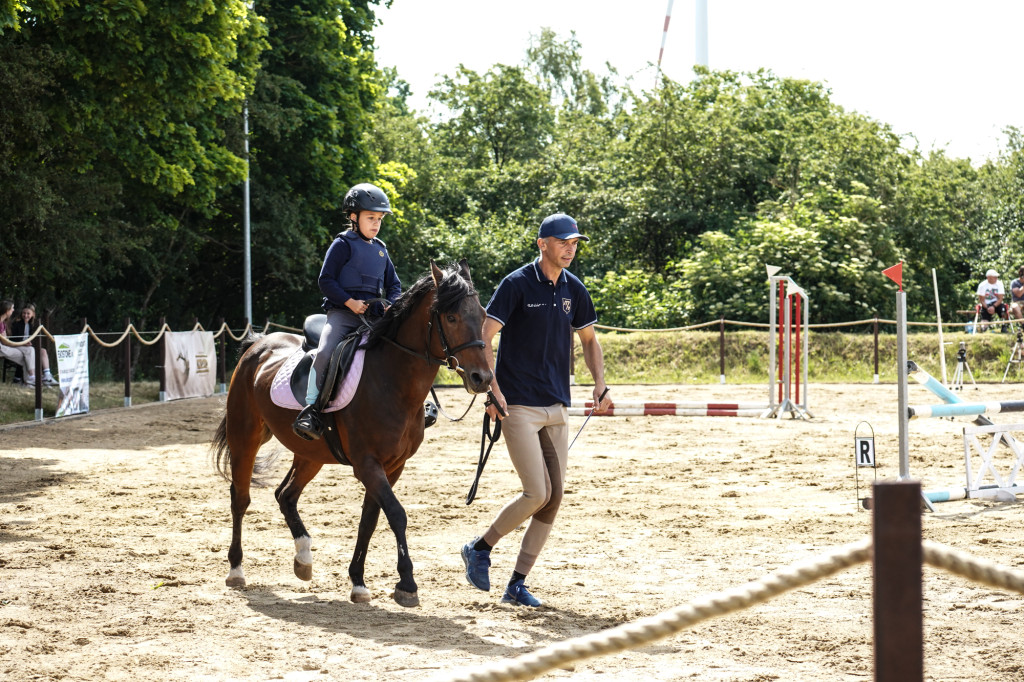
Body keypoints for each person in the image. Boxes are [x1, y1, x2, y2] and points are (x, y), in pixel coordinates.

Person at [460, 213, 611, 608]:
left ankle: (517, 583)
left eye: (575, 243)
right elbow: (484, 339)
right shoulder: (515, 284)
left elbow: (590, 341)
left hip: (557, 404)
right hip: (519, 405)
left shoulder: (574, 290)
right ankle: (480, 547)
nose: (570, 249)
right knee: (537, 492)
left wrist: (600, 384)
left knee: (554, 497)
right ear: (542, 243)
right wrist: (492, 392)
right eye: (563, 242)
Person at [292, 183, 402, 441]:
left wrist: (393, 303)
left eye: (379, 219)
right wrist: (349, 302)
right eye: (371, 218)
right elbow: (326, 280)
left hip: (374, 316)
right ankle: (311, 408)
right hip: (343, 315)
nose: (376, 224)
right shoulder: (342, 244)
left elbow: (394, 285)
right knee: (325, 352)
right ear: (354, 217)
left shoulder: (381, 248)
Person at [9, 303, 58, 385]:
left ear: (32, 314)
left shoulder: (33, 325)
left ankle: (47, 375)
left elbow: (35, 339)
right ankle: (27, 377)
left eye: (28, 313)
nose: (25, 315)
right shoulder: (16, 324)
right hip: (17, 346)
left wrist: (29, 343)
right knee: (29, 351)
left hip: (28, 346)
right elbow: (13, 339)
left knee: (43, 351)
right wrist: (23, 343)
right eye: (24, 313)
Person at [0, 300, 37, 387]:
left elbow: (6, 341)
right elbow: (6, 342)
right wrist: (22, 344)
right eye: (12, 308)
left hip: (5, 347)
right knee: (27, 355)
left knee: (29, 351)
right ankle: (30, 379)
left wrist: (22, 344)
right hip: (1, 348)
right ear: (7, 310)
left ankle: (29, 380)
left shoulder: (3, 323)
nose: (13, 310)